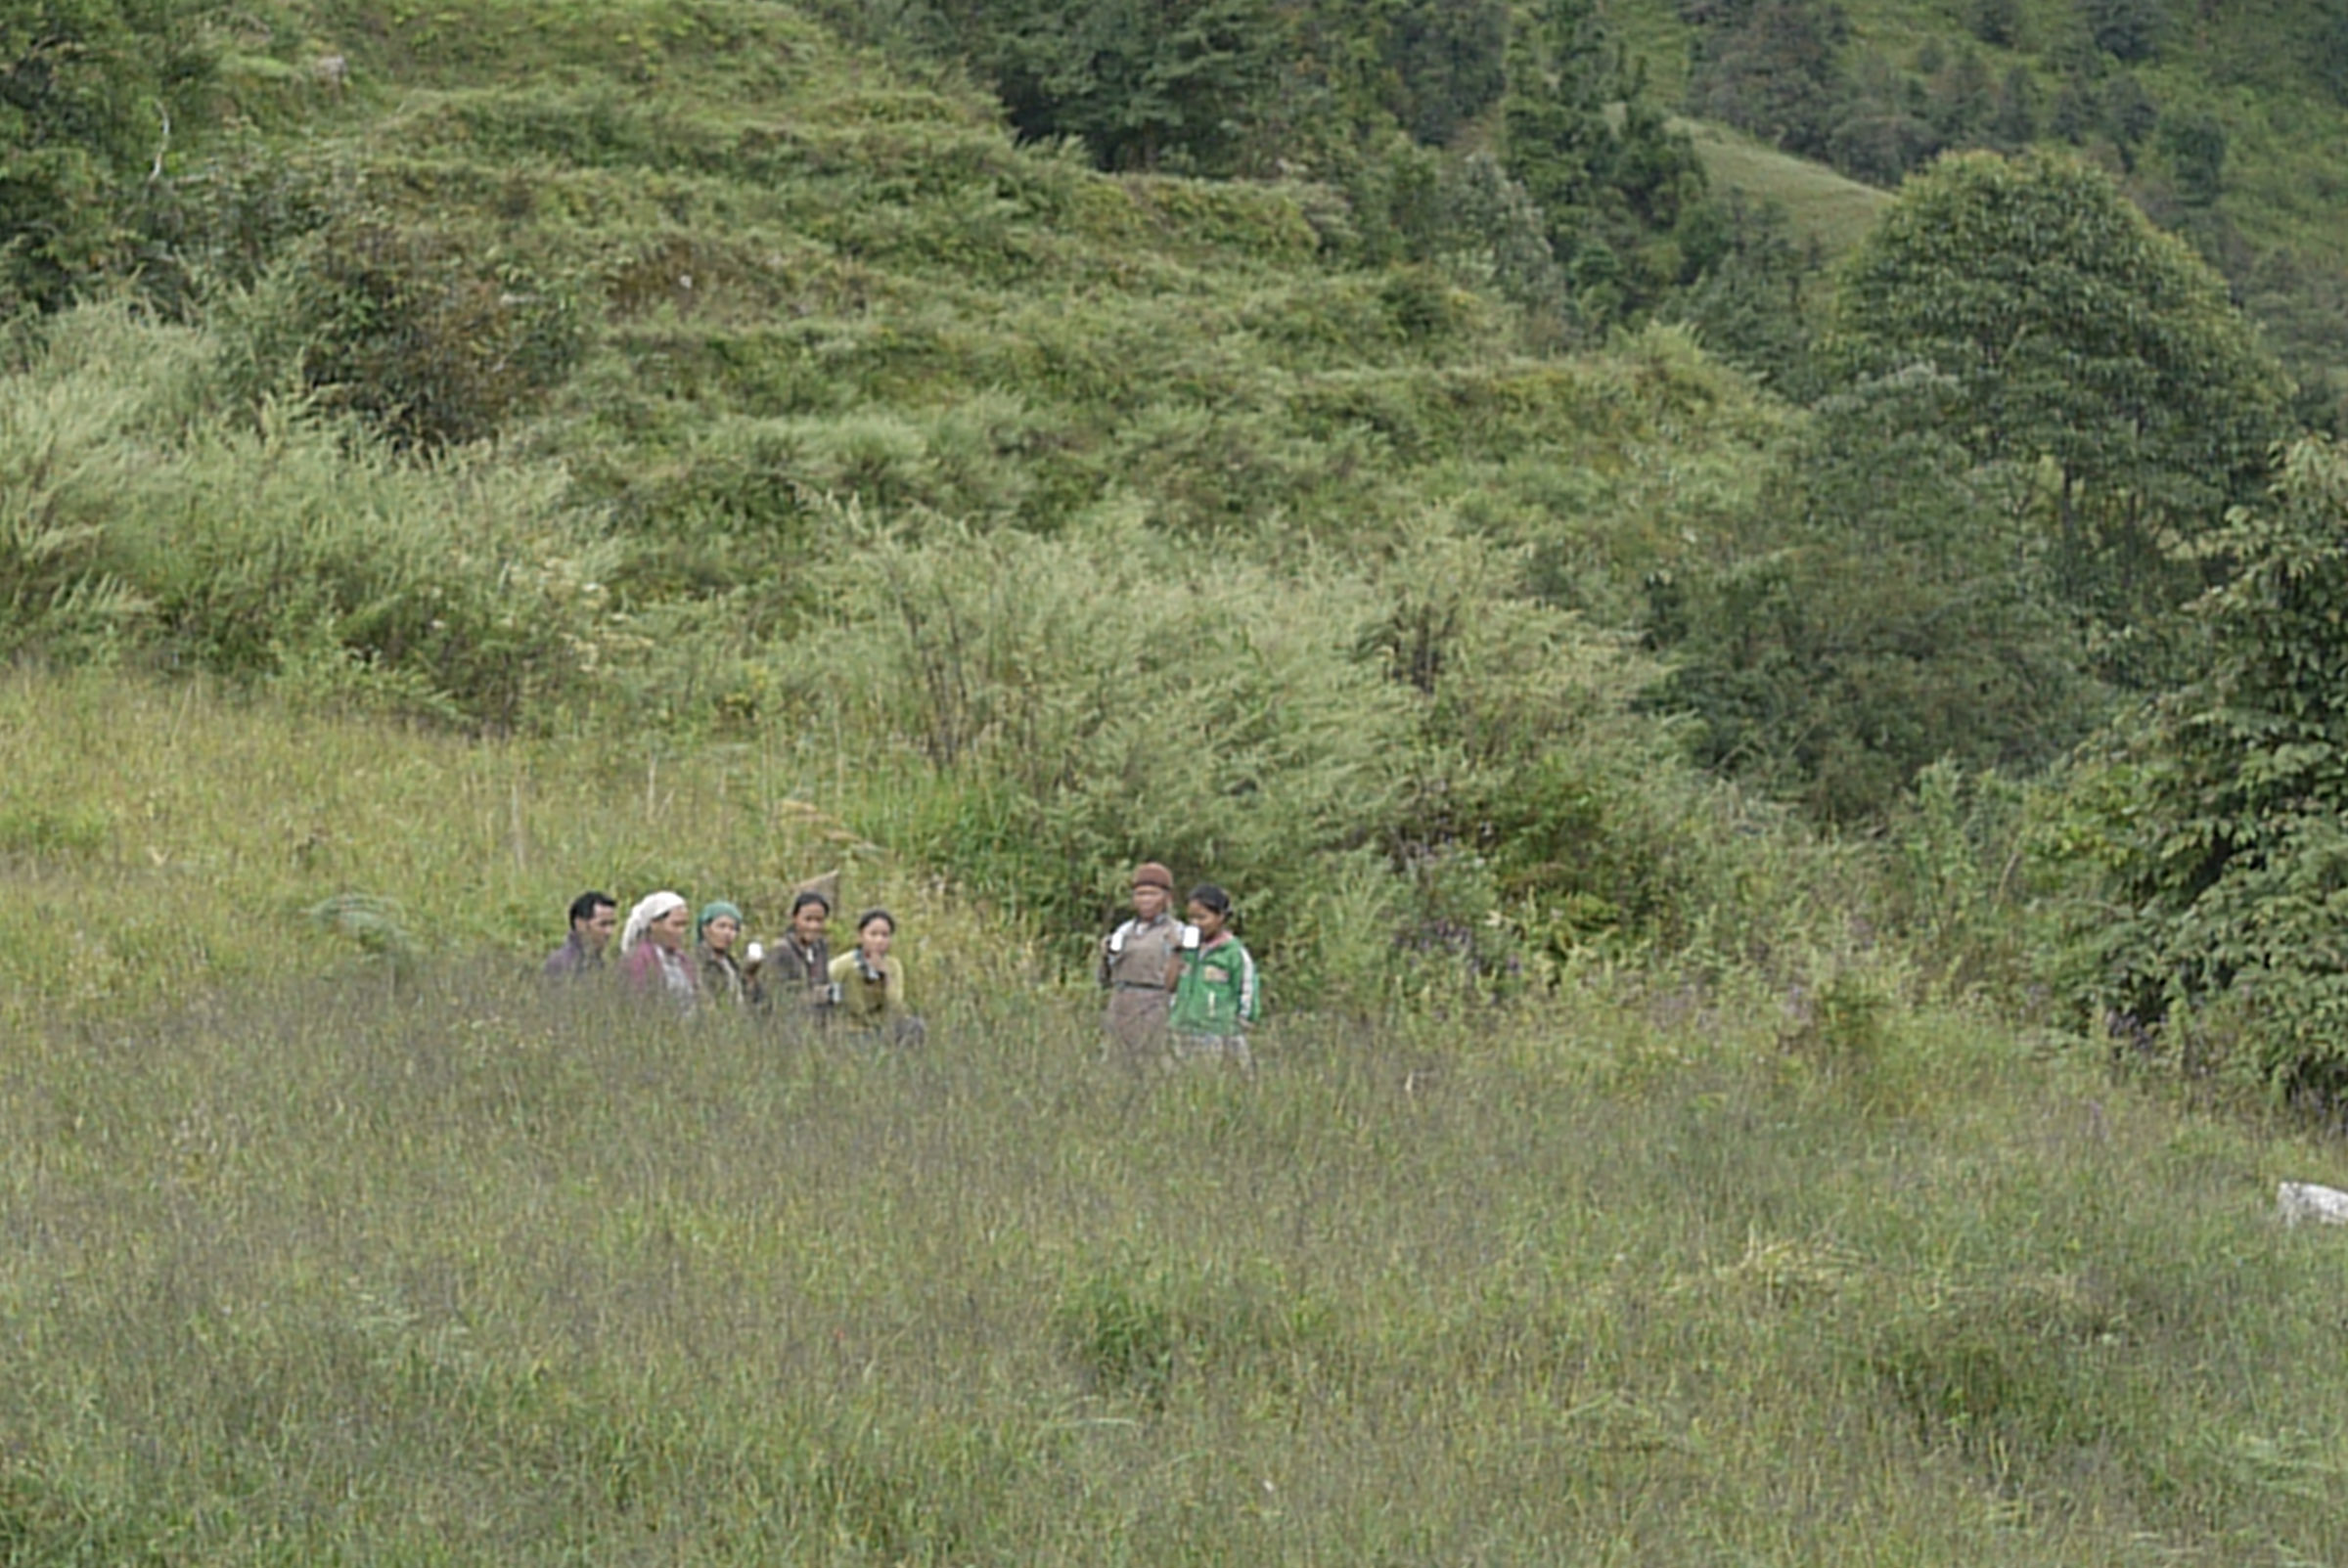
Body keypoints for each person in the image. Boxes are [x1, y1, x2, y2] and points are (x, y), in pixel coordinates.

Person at [1099, 861, 1183, 1065]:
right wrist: (1105, 955)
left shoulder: (1175, 932)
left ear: (1167, 898)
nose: (1145, 900)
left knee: (1154, 1064)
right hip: (1121, 1005)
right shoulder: (1124, 931)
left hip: (1156, 1006)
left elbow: (1180, 980)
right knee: (1116, 1064)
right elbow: (1105, 977)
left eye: (1152, 894)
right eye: (1140, 894)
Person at [1169, 884, 1258, 1066]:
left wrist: (1239, 1024)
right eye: (1191, 918)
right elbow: (1170, 985)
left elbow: (1247, 989)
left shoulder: (1232, 953)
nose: (1196, 923)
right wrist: (1176, 952)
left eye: (1202, 917)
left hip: (1217, 1031)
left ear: (1221, 917)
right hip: (1183, 1028)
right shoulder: (1188, 951)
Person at [829, 907, 925, 1046]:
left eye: (885, 935)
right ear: (861, 936)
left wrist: (886, 978)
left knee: (915, 1026)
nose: (879, 941)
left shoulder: (893, 965)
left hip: (881, 1027)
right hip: (852, 1030)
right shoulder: (844, 964)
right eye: (873, 935)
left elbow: (896, 1005)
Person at [617, 890, 700, 1014]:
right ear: (654, 924)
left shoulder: (682, 960)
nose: (681, 932)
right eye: (676, 925)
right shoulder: (639, 959)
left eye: (684, 925)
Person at [765, 890, 837, 1030]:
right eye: (808, 919)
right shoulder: (781, 951)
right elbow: (775, 997)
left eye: (819, 920)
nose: (814, 926)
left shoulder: (820, 948)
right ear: (795, 918)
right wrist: (820, 995)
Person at [694, 900, 762, 1008]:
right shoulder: (696, 963)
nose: (727, 933)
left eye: (732, 928)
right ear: (705, 929)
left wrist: (750, 977)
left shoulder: (732, 964)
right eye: (721, 926)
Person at [543, 890, 616, 979]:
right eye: (602, 924)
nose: (609, 931)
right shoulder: (563, 965)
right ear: (580, 924)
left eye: (612, 924)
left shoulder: (597, 963)